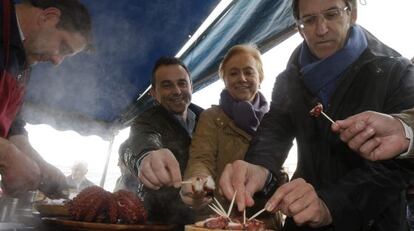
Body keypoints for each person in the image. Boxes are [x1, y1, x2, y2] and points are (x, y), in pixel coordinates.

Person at [218, 0, 414, 230]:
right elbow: (276, 128)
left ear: (352, 13)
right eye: (309, 20)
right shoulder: (290, 77)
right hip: (302, 217)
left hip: (375, 221)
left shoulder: (395, 71)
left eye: (331, 14)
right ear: (298, 26)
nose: (321, 30)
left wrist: (331, 204)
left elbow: (399, 167)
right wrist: (259, 166)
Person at [180, 44, 283, 229]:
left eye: (249, 72)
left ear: (260, 78)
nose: (242, 78)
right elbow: (201, 159)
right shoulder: (212, 117)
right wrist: (200, 184)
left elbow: (278, 170)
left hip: (266, 221)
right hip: (222, 219)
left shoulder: (275, 120)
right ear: (225, 80)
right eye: (233, 73)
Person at [0, 0, 92, 198]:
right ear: (48, 17)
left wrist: (41, 166)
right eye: (63, 46)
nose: (57, 61)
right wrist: (7, 154)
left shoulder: (23, 63)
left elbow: (13, 128)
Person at [119, 57, 203, 226]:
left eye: (182, 83)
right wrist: (146, 156)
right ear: (154, 93)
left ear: (191, 86)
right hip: (161, 221)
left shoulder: (207, 119)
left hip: (205, 220)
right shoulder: (145, 121)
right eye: (167, 85)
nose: (177, 91)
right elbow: (142, 140)